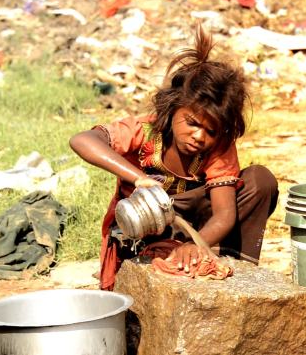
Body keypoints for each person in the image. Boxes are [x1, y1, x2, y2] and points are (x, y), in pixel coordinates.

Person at [69, 26, 279, 290]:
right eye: (192, 123)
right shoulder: (145, 131)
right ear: (172, 106)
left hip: (195, 228)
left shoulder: (218, 146)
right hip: (146, 229)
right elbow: (82, 140)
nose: (199, 136)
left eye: (210, 131)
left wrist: (195, 245)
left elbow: (225, 214)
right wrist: (139, 179)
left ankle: (229, 262)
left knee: (260, 180)